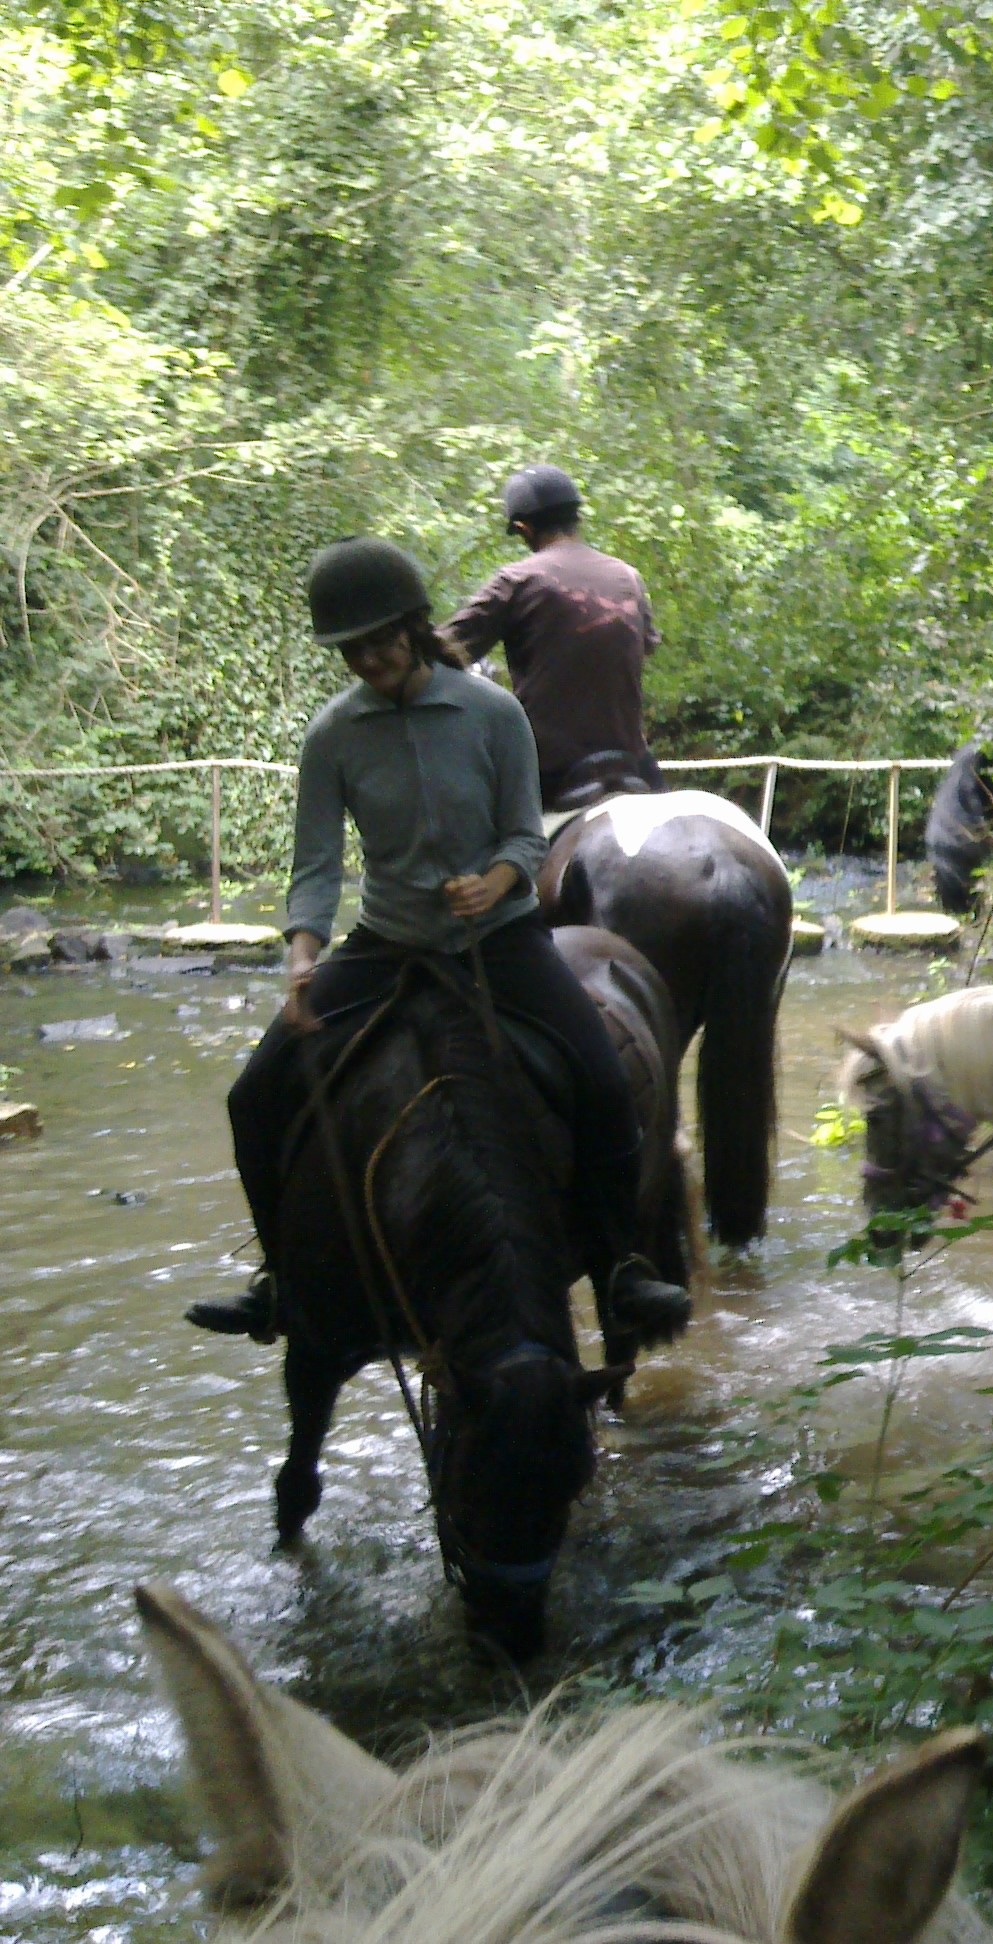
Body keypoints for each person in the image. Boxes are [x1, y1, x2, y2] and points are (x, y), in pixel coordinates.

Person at [189, 537, 690, 1345]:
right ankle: (282, 1280)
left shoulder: (493, 714)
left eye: (381, 641)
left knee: (601, 1079)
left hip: (497, 938)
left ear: (415, 627)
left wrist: (495, 880)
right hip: (387, 942)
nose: (368, 659)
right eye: (350, 649)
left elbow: (527, 837)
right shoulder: (333, 735)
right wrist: (304, 949)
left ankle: (622, 1265)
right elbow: (315, 864)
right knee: (252, 1095)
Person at [438, 465, 664, 811]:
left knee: (471, 836)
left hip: (547, 767)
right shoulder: (628, 577)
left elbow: (444, 652)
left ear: (523, 529)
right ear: (577, 518)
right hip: (632, 759)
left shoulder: (516, 580)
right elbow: (644, 646)